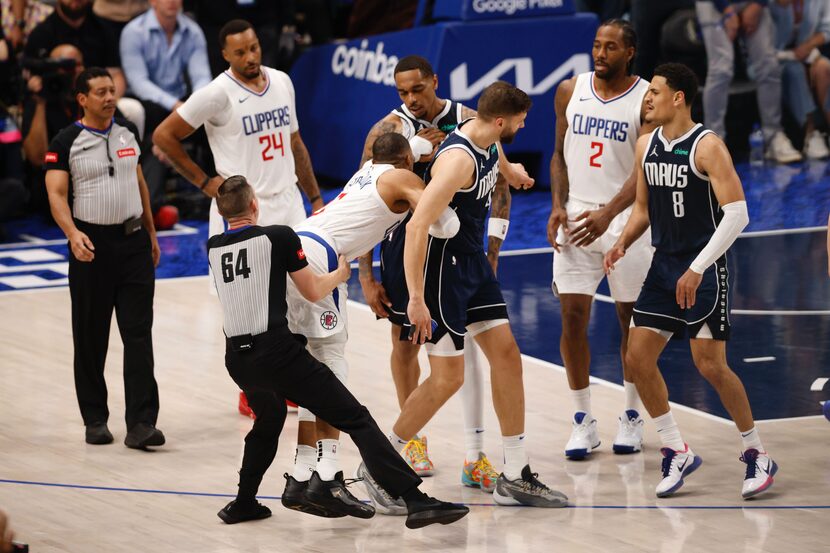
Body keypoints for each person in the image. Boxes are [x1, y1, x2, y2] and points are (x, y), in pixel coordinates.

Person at [206, 174, 469, 529]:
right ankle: (415, 500)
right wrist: (340, 274)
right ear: (255, 205)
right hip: (277, 353)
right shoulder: (280, 235)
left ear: (222, 213)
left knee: (267, 422)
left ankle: (243, 502)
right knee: (355, 417)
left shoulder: (214, 246)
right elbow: (313, 291)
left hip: (237, 360)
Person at [360, 81, 569, 512]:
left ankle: (514, 473)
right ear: (499, 121)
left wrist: (510, 172)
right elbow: (417, 225)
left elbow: (496, 155)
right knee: (446, 379)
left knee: (507, 355)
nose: (524, 124)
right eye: (520, 120)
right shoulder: (456, 162)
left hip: (471, 263)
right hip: (441, 273)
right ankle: (380, 465)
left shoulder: (484, 133)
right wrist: (416, 299)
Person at [604, 62, 778, 499]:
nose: (647, 99)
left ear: (678, 97)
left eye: (655, 93)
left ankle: (757, 452)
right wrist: (622, 241)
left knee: (710, 366)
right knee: (637, 359)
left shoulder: (708, 146)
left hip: (705, 268)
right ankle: (675, 447)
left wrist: (697, 267)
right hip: (664, 266)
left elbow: (738, 214)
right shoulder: (646, 145)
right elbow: (643, 209)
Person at [152, 18, 324, 415]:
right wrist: (205, 181)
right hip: (243, 211)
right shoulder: (217, 93)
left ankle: (292, 381)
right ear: (225, 55)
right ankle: (253, 390)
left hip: (288, 202)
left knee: (298, 298)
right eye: (241, 52)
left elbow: (294, 141)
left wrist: (314, 197)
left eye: (254, 48)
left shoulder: (281, 81)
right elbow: (164, 135)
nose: (250, 57)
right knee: (248, 308)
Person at [282, 132, 462, 507]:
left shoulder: (367, 170)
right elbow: (445, 224)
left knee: (310, 372)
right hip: (323, 254)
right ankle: (328, 476)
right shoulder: (403, 177)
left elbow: (409, 149)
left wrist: (420, 144)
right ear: (407, 163)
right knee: (331, 370)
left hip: (295, 244)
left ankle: (300, 475)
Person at [357, 54, 510, 489]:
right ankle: (412, 442)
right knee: (405, 343)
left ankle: (475, 454)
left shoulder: (470, 120)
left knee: (469, 352)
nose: (411, 99)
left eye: (417, 90)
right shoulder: (386, 131)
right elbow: (365, 199)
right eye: (402, 92)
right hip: (402, 245)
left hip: (460, 253)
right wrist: (365, 275)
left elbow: (499, 181)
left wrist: (493, 249)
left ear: (434, 82)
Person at [547, 19, 654, 461]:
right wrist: (557, 205)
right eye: (596, 45)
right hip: (576, 217)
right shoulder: (570, 90)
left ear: (629, 52)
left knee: (629, 320)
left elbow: (643, 169)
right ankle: (582, 420)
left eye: (611, 47)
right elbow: (558, 155)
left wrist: (610, 213)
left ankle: (631, 415)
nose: (600, 53)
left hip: (625, 219)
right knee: (572, 316)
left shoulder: (647, 98)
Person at [44, 67, 164, 449]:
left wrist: (150, 232)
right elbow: (57, 194)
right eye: (100, 92)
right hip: (91, 247)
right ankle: (95, 418)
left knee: (138, 334)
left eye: (112, 90)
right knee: (91, 337)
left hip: (132, 246)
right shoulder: (66, 141)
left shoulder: (128, 131)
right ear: (82, 99)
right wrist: (72, 233)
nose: (110, 97)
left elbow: (139, 180)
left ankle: (142, 423)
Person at [120, 0, 212, 214]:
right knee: (150, 122)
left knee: (213, 114)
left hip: (182, 102)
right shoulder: (133, 32)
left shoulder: (193, 31)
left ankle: (216, 190)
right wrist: (177, 107)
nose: (171, 1)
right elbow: (139, 83)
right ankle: (152, 203)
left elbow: (202, 78)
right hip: (149, 103)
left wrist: (195, 105)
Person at [695, 0, 802, 163]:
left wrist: (758, 5)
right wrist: (727, 10)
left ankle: (773, 137)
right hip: (713, 4)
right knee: (721, 70)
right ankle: (713, 142)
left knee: (769, 65)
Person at [21, 43, 83, 214]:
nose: (73, 71)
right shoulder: (39, 100)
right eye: (65, 67)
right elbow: (38, 158)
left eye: (76, 65)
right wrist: (40, 102)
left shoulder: (93, 98)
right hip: (53, 187)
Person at [770, 0, 830, 159]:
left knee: (824, 68)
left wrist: (808, 45)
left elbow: (827, 29)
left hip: (805, 53)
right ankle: (811, 133)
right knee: (795, 71)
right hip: (771, 59)